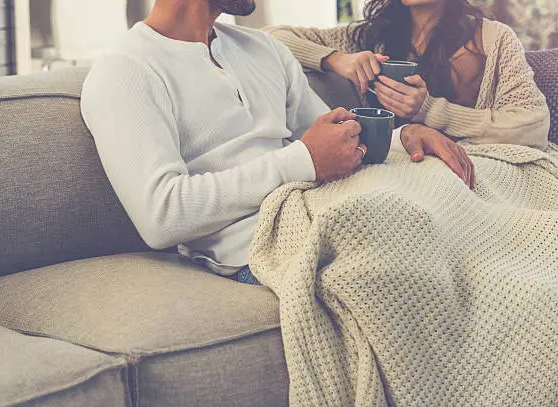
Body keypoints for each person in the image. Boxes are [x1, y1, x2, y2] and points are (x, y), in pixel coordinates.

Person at [80, 0, 476, 285]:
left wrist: (402, 136)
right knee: (421, 247)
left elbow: (333, 140)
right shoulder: (125, 71)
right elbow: (161, 216)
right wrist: (302, 160)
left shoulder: (263, 49)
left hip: (324, 205)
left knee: (469, 192)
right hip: (264, 247)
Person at [265, 0, 550, 158]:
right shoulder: (371, 36)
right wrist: (337, 59)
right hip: (397, 168)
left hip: (474, 167)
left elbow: (533, 125)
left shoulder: (493, 38)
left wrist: (431, 111)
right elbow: (270, 37)